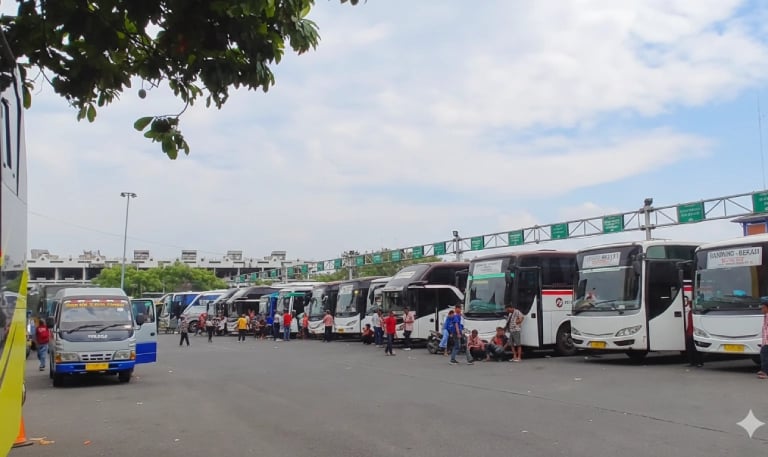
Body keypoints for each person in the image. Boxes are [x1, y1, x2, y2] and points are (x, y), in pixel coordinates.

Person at [684, 296, 703, 367]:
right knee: (690, 348)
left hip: (694, 332)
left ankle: (699, 362)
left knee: (696, 349)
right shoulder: (689, 311)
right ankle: (693, 362)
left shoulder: (695, 312)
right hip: (689, 332)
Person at [758, 300, 768, 379]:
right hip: (765, 341)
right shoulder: (766, 316)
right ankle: (764, 370)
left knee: (764, 356)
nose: (762, 310)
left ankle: (765, 372)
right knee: (763, 355)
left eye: (763, 308)